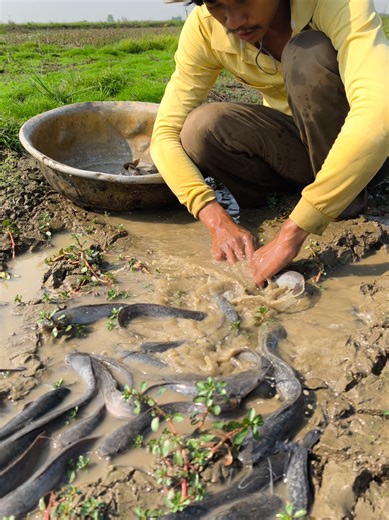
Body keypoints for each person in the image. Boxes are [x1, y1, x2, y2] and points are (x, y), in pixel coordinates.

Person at [150, 0, 389, 286]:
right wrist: (216, 219)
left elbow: (379, 112)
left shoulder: (340, 3)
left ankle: (344, 205)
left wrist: (293, 233)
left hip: (366, 152)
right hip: (297, 148)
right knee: (201, 127)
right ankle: (276, 203)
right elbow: (164, 133)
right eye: (217, 5)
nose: (235, 21)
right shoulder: (204, 27)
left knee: (306, 54)